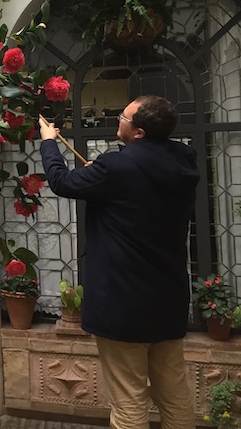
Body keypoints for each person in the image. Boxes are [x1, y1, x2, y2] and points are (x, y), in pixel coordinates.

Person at [39, 95, 199, 429]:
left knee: (129, 402)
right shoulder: (183, 162)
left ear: (138, 132)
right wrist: (103, 177)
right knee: (175, 398)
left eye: (123, 117)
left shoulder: (116, 167)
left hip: (123, 303)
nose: (118, 121)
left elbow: (61, 182)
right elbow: (134, 195)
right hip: (167, 300)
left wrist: (49, 143)